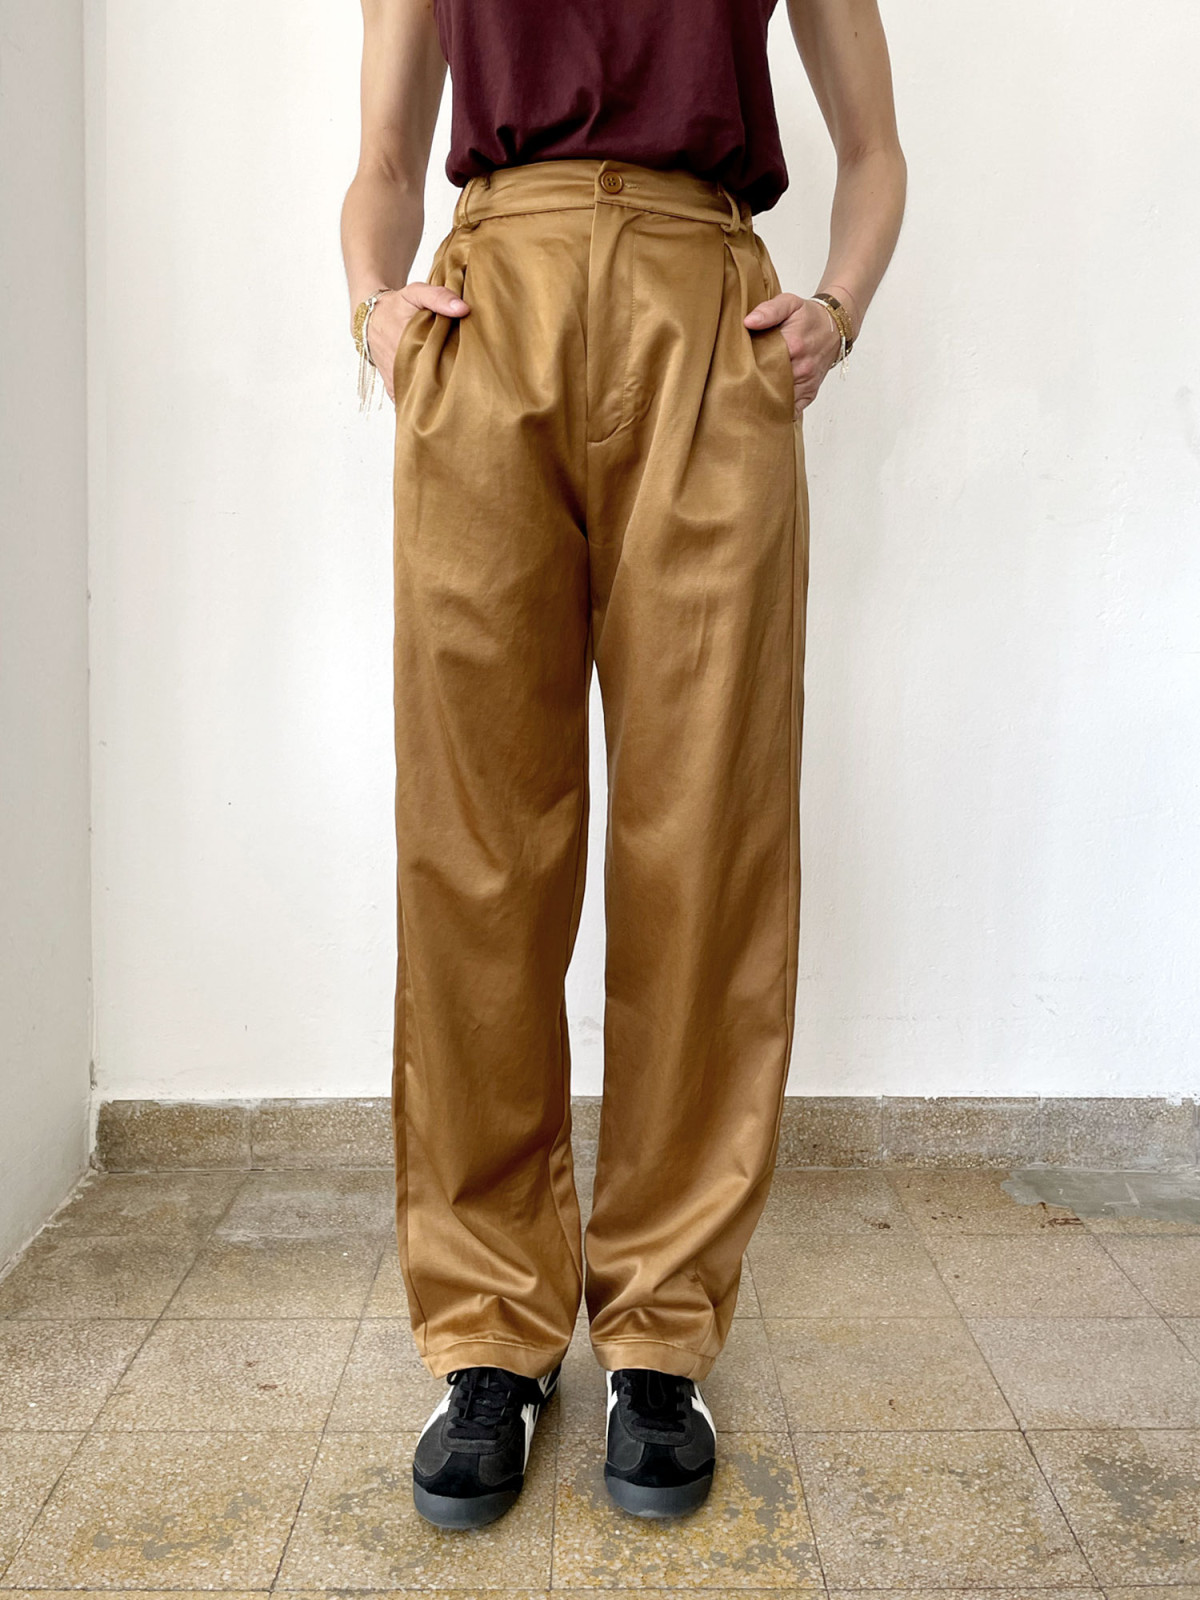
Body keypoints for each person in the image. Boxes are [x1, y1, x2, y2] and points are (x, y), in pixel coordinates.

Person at [341, 0, 906, 1531]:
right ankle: (490, 1331)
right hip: (490, 313)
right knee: (475, 846)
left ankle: (661, 1331)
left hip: (704, 316)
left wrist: (839, 307)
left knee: (706, 833)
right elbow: (384, 155)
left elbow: (875, 149)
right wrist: (372, 308)